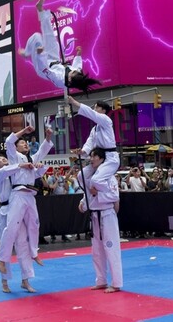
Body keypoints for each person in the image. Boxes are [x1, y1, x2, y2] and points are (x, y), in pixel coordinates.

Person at [0, 125, 53, 275]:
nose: (25, 143)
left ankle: (34, 252)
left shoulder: (31, 159)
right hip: (18, 194)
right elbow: (9, 140)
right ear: (15, 147)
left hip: (30, 195)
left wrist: (48, 137)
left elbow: (42, 151)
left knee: (35, 224)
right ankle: (2, 258)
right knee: (12, 227)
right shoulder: (14, 156)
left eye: (26, 142)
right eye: (22, 142)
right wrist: (23, 131)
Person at [20, 0, 100, 93]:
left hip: (44, 66)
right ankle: (40, 9)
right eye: (74, 71)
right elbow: (77, 65)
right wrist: (79, 55)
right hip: (55, 59)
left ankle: (26, 53)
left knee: (37, 37)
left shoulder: (59, 79)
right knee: (50, 35)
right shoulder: (77, 73)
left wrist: (40, 54)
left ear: (70, 80)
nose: (72, 71)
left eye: (72, 73)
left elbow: (44, 68)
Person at [0, 153, 46, 293]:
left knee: (23, 244)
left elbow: (34, 175)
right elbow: (5, 170)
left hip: (19, 207)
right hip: (5, 210)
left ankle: (25, 280)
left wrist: (38, 166)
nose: (4, 160)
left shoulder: (18, 172)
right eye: (0, 160)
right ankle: (4, 281)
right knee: (6, 244)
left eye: (4, 158)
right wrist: (20, 165)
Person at [77, 147, 122, 293]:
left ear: (102, 159)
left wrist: (98, 195)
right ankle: (101, 280)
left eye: (94, 156)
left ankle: (116, 283)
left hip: (107, 215)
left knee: (111, 248)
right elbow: (88, 194)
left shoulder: (109, 177)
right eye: (90, 156)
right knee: (96, 251)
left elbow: (115, 197)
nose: (92, 158)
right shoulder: (92, 176)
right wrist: (83, 204)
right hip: (95, 215)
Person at [68, 97, 119, 198]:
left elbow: (93, 114)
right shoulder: (94, 129)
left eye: (97, 108)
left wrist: (75, 103)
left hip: (110, 158)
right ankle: (91, 194)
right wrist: (82, 151)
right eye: (94, 108)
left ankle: (109, 193)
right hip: (98, 157)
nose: (94, 110)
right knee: (81, 176)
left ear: (103, 111)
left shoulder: (107, 121)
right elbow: (89, 144)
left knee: (96, 179)